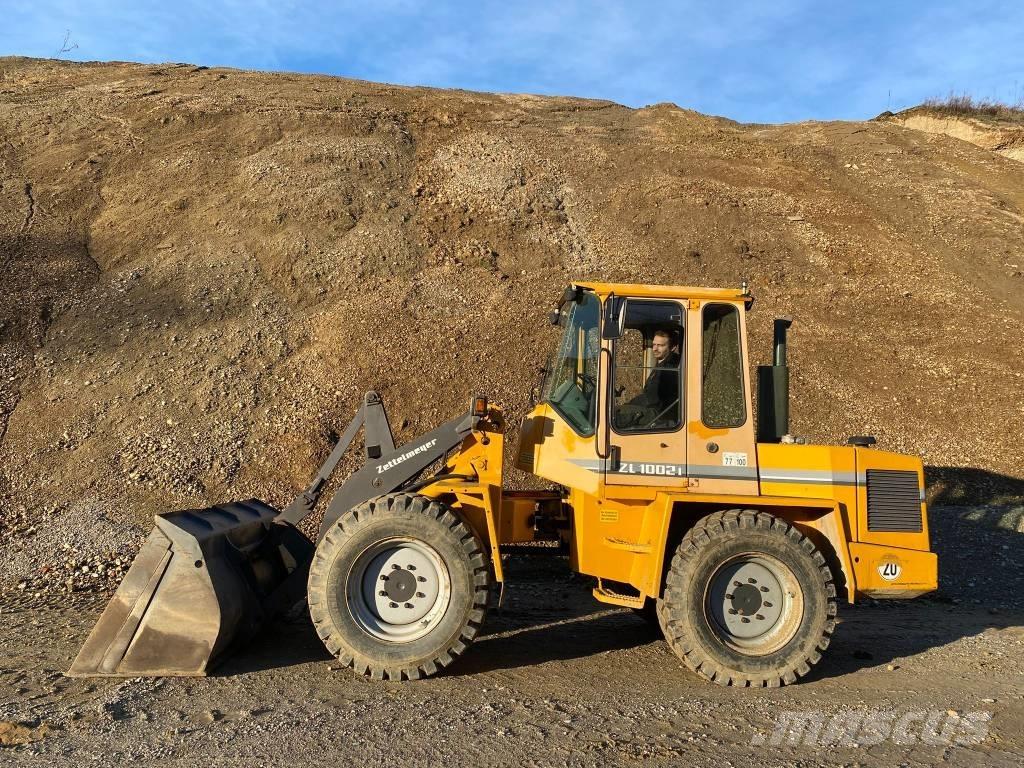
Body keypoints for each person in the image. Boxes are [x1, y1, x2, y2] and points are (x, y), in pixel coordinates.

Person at [616, 328, 681, 428]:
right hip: (654, 409)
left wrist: (628, 405)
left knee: (615, 416)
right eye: (654, 344)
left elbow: (652, 398)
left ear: (672, 347)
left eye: (660, 345)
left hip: (659, 414)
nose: (655, 349)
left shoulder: (669, 369)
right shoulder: (662, 364)